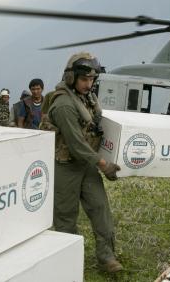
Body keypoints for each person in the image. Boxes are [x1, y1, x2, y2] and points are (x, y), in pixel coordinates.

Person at [42, 52, 123, 273]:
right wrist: (104, 165)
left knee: (100, 210)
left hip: (87, 165)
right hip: (66, 166)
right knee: (66, 218)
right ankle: (66, 263)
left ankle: (107, 258)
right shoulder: (64, 105)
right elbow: (76, 145)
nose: (89, 84)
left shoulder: (86, 98)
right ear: (71, 77)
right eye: (84, 79)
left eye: (92, 80)